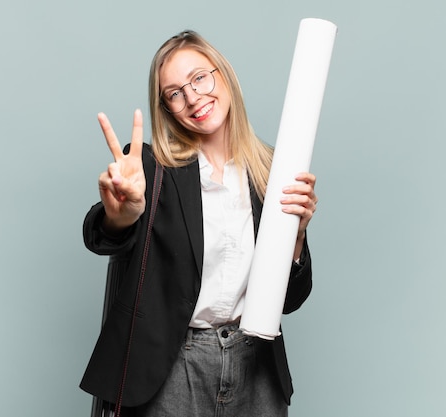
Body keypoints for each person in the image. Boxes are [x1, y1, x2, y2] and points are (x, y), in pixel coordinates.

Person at [80, 30, 318, 417]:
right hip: (171, 368)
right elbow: (105, 234)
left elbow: (290, 300)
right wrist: (120, 215)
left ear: (223, 76)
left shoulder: (272, 170)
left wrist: (298, 235)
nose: (192, 97)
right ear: (167, 108)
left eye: (199, 78)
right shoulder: (150, 167)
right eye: (174, 93)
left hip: (256, 366)